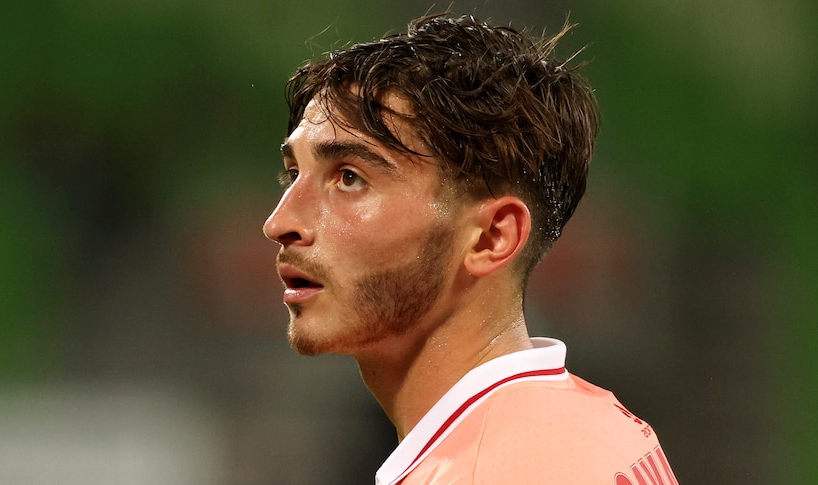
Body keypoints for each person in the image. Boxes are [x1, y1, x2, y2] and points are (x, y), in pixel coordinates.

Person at [262, 13, 677, 484]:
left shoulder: (501, 470)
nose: (280, 223)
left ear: (491, 237)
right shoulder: (594, 426)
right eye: (293, 175)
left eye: (350, 178)